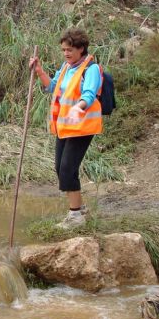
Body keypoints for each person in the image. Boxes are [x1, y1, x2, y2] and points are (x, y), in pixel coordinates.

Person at [30, 28, 103, 229]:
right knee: (60, 169)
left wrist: (77, 109)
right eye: (63, 50)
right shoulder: (66, 67)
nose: (66, 54)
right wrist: (39, 71)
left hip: (82, 126)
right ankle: (80, 208)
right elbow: (53, 87)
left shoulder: (91, 69)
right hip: (65, 126)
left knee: (67, 168)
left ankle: (75, 216)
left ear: (81, 48)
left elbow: (88, 95)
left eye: (70, 50)